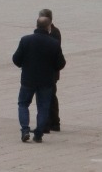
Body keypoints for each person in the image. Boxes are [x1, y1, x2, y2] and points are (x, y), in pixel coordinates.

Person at [12, 14, 66, 143]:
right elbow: (61, 64)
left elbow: (16, 59)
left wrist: (24, 65)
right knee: (43, 106)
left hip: (28, 79)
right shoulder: (54, 43)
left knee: (23, 104)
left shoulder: (26, 40)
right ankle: (39, 133)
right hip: (46, 81)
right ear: (48, 27)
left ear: (36, 25)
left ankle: (25, 129)